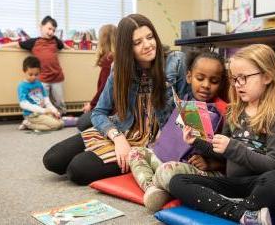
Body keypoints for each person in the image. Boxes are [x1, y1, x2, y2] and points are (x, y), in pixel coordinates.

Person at [42, 14, 188, 185]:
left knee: (77, 170)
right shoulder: (119, 68)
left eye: (150, 37)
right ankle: (110, 149)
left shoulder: (176, 62)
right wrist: (118, 138)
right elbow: (99, 112)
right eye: (138, 42)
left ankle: (126, 159)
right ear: (127, 47)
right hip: (122, 129)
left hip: (151, 142)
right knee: (53, 159)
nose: (148, 45)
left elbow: (187, 109)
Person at [169, 44, 275, 225]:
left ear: (267, 76)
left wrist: (234, 147)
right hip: (231, 184)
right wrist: (196, 142)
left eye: (243, 78)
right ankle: (243, 214)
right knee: (178, 182)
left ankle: (235, 208)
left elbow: (274, 165)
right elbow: (222, 150)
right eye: (235, 79)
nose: (237, 84)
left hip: (259, 185)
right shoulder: (234, 111)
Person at [128, 51, 229, 211]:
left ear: (221, 83)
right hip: (167, 159)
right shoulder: (185, 99)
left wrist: (212, 163)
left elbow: (232, 156)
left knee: (167, 170)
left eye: (214, 81)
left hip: (194, 170)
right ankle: (153, 189)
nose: (206, 85)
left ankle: (163, 187)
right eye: (200, 78)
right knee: (135, 152)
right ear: (189, 77)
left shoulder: (223, 112)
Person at [0, 16, 72, 114]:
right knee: (42, 101)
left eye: (53, 30)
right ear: (41, 26)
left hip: (57, 77)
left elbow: (63, 45)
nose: (51, 32)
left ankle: (62, 115)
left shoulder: (55, 40)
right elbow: (17, 44)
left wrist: (71, 49)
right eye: (49, 28)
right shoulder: (33, 42)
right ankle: (46, 115)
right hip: (42, 79)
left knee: (59, 100)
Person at [76, 24, 117, 132]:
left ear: (102, 41)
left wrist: (91, 105)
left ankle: (107, 123)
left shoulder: (108, 60)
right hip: (114, 107)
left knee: (81, 123)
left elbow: (104, 89)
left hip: (111, 110)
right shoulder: (115, 57)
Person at [17, 56, 63, 131]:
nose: (34, 77)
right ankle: (29, 124)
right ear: (24, 71)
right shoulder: (22, 86)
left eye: (36, 74)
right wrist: (43, 110)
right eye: (30, 74)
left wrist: (55, 111)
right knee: (57, 125)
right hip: (32, 115)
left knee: (61, 122)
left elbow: (46, 101)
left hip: (42, 113)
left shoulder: (39, 84)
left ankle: (29, 124)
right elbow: (23, 104)